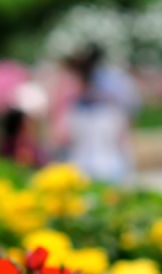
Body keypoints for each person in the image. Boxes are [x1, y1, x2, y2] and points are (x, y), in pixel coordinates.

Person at [61, 46, 134, 184]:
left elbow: (66, 138)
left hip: (91, 164)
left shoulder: (79, 106)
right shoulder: (111, 87)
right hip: (104, 163)